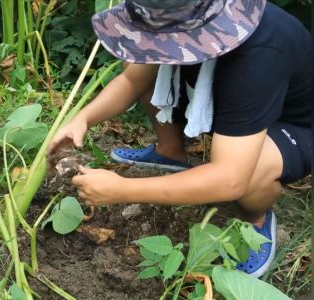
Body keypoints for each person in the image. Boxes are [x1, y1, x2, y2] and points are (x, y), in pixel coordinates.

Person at [48, 0, 312, 278]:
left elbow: (229, 179)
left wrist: (121, 189)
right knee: (143, 59)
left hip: (294, 125)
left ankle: (255, 221)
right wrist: (82, 119)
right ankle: (169, 152)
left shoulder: (259, 54)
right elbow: (132, 81)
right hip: (240, 104)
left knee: (250, 173)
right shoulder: (190, 13)